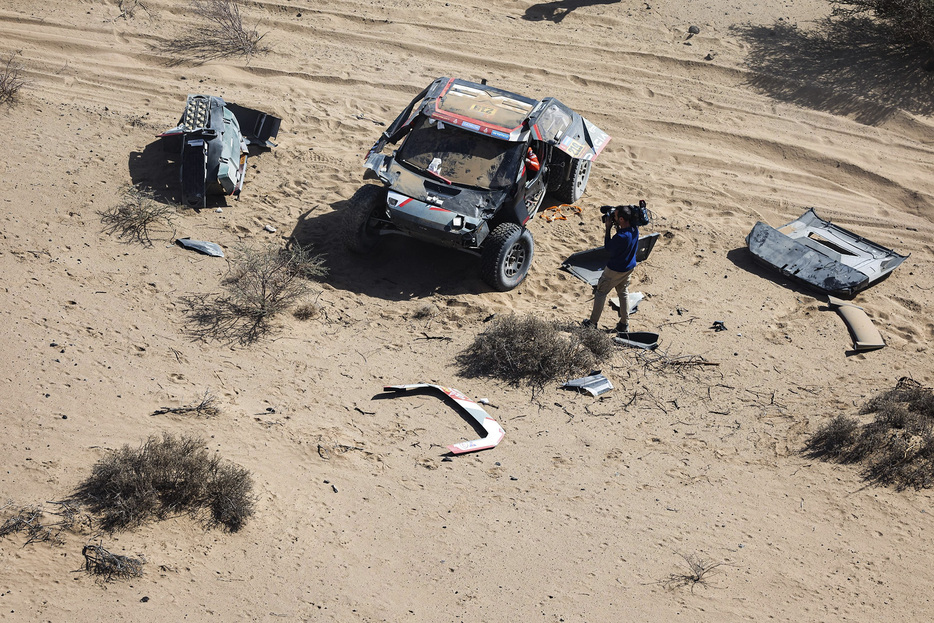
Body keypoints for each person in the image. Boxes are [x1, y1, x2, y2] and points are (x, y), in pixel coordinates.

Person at [585, 205, 639, 334]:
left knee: (600, 293)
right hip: (629, 267)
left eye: (615, 216)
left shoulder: (621, 237)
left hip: (614, 270)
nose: (612, 218)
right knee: (623, 292)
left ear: (621, 219)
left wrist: (608, 228)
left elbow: (608, 247)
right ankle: (624, 324)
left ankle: (592, 323)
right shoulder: (634, 229)